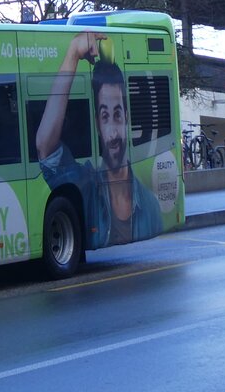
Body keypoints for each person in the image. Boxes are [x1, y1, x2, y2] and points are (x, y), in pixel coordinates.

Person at [34, 31, 162, 247]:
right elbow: (44, 148)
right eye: (105, 116)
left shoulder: (151, 205)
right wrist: (73, 53)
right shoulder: (85, 184)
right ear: (97, 124)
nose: (113, 133)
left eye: (117, 114)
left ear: (127, 118)